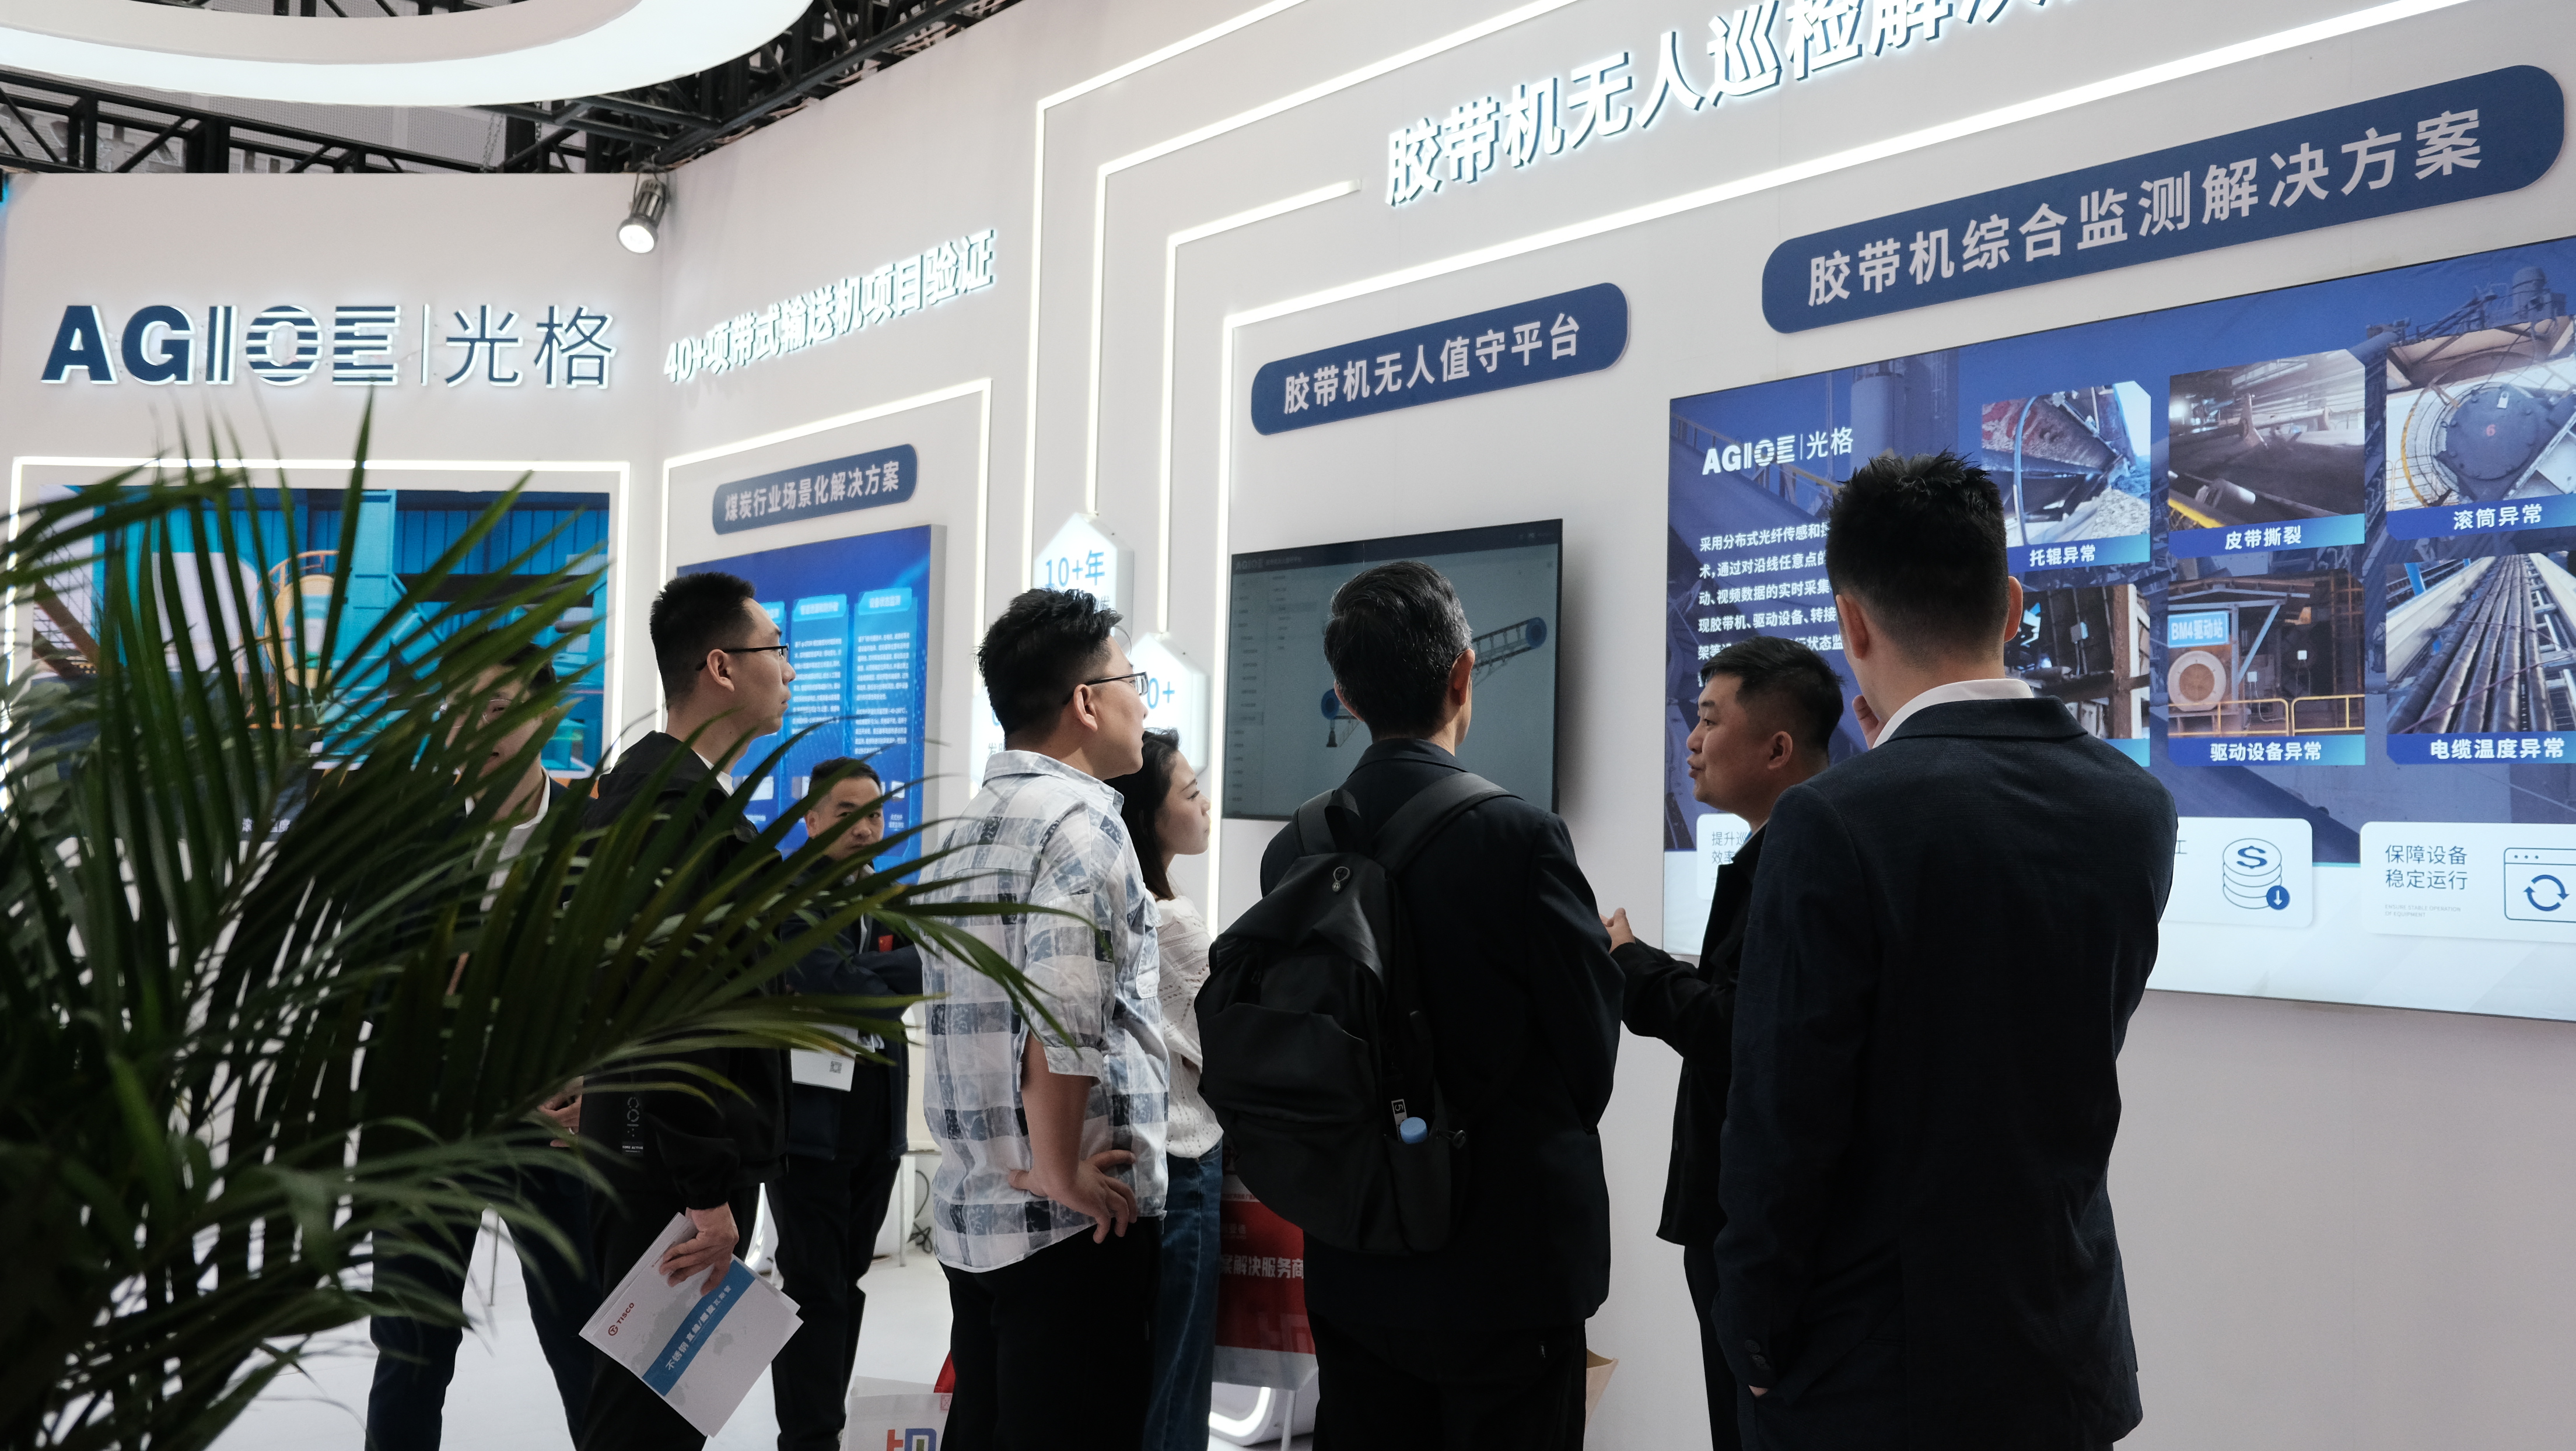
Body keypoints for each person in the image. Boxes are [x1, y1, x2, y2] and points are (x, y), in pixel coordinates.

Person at [1713, 451, 2178, 1450]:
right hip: (2065, 1352)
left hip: (1873, 1371)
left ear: (1851, 623)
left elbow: (1782, 1124)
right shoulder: (2135, 806)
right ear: (2010, 604)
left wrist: (1748, 1329)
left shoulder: (1832, 821)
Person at [1256, 561, 1619, 1451]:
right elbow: (1589, 1064)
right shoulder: (1523, 838)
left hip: (1355, 1251)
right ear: (1464, 673)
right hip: (1506, 1267)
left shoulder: (1293, 851)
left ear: (1345, 697)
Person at [918, 588, 1169, 1451]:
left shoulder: (968, 827)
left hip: (980, 1210)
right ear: (1087, 702)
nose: (1145, 706)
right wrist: (1063, 1171)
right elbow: (1062, 1014)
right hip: (1072, 1223)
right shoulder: (1081, 829)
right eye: (1134, 682)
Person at [1598, 636, 1842, 1451]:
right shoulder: (1785, 849)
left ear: (1778, 748)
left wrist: (1634, 967)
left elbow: (1746, 1036)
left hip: (1760, 1229)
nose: (1692, 741)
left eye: (1709, 720)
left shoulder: (1799, 864)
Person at [578, 570, 797, 1451]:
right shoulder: (674, 811)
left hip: (649, 1143)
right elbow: (670, 1010)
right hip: (667, 1164)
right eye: (775, 649)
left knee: (653, 1415)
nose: (788, 668)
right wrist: (706, 1191)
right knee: (643, 1422)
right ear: (721, 666)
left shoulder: (653, 793)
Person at [366, 642, 596, 1451]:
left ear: (547, 716)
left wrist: (595, 1078)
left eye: (499, 711)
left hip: (559, 1132)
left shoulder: (597, 833)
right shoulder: (407, 839)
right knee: (411, 1350)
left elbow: (630, 984)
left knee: (588, 1345)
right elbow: (367, 985)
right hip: (429, 1130)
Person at [766, 757, 925, 1451]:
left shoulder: (893, 895)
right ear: (811, 821)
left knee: (849, 1279)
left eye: (875, 814)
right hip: (807, 1129)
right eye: (846, 814)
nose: (865, 828)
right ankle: (809, 1438)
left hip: (876, 1122)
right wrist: (864, 979)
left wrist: (859, 975)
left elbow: (921, 972)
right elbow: (825, 977)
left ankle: (822, 1425)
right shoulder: (785, 896)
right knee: (813, 1284)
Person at [1105, 728, 1221, 1451]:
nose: (1205, 805)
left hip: (1132, 1160)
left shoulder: (1117, 902)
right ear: (1148, 820)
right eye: (1191, 792)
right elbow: (1223, 1045)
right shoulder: (1172, 919)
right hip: (1185, 1157)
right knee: (1177, 1379)